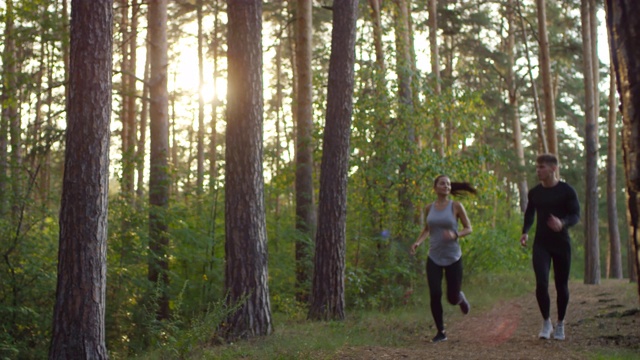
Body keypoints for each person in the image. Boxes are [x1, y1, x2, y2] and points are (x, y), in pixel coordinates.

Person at [520, 154, 580, 341]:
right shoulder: (535, 192)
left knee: (561, 284)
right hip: (541, 244)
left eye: (542, 167)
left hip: (561, 243)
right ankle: (546, 322)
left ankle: (560, 323)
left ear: (553, 169)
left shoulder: (567, 191)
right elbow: (530, 213)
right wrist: (525, 231)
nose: (538, 170)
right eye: (537, 167)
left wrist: (562, 223)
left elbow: (575, 215)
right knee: (541, 283)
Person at [410, 175, 476, 343]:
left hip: (453, 257)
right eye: (442, 183)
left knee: (452, 298)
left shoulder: (456, 206)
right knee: (435, 293)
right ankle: (441, 332)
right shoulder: (428, 208)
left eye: (448, 184)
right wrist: (417, 242)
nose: (446, 186)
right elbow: (427, 229)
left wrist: (456, 234)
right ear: (435, 187)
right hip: (434, 256)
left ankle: (460, 298)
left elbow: (469, 228)